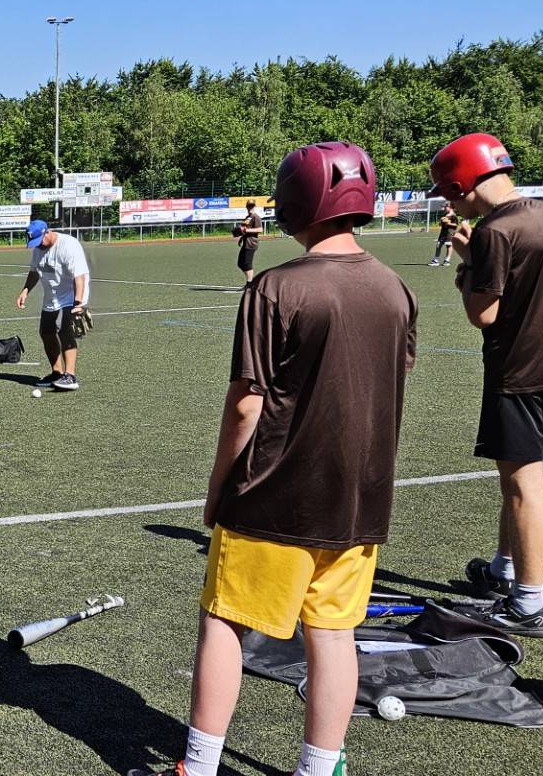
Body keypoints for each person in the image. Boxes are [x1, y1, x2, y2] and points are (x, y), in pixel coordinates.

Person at [131, 142, 417, 776]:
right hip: (359, 499)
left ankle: (198, 766)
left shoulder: (276, 287)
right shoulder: (395, 290)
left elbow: (245, 408)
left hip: (273, 494)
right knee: (334, 635)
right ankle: (320, 768)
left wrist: (217, 491)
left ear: (297, 201)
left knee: (226, 624)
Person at [431, 132, 543, 636]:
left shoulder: (495, 231)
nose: (451, 202)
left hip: (520, 368)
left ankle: (528, 602)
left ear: (462, 184)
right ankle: (504, 568)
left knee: (524, 485)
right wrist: (474, 252)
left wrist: (469, 263)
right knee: (517, 478)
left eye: (449, 192)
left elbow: (484, 313)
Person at [16, 221, 89, 391]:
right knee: (46, 332)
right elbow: (35, 271)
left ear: (47, 232)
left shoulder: (68, 246)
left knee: (65, 331)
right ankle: (57, 373)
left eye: (39, 240)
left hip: (72, 293)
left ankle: (70, 376)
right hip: (52, 295)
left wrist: (78, 303)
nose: (37, 245)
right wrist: (25, 291)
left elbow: (79, 277)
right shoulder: (38, 250)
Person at [234, 200, 263, 285]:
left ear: (255, 207)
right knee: (240, 263)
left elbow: (260, 229)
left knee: (246, 263)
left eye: (252, 206)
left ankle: (250, 284)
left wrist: (246, 230)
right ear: (246, 207)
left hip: (251, 243)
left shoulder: (255, 217)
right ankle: (249, 283)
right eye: (249, 206)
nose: (250, 207)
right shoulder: (248, 217)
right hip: (246, 242)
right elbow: (243, 230)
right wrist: (241, 237)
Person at [430, 201, 462, 267]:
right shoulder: (445, 215)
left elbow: (456, 225)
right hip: (443, 233)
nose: (444, 208)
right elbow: (442, 224)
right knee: (438, 244)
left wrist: (448, 223)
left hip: (449, 233)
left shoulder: (453, 216)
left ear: (450, 207)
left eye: (445, 207)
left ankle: (447, 260)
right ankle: (436, 260)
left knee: (448, 246)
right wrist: (441, 222)